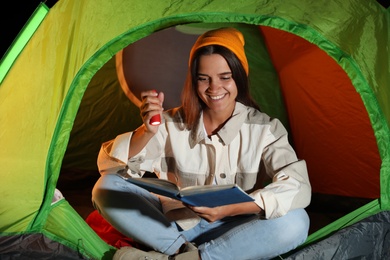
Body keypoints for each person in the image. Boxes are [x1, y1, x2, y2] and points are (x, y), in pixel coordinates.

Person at [92, 27, 311, 260]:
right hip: (175, 230)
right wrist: (147, 131)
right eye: (204, 79)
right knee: (105, 186)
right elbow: (109, 167)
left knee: (296, 222)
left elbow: (298, 186)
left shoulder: (266, 129)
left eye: (225, 77)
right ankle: (181, 252)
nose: (214, 88)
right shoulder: (170, 123)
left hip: (238, 233)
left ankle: (186, 258)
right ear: (194, 81)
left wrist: (234, 208)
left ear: (240, 76)